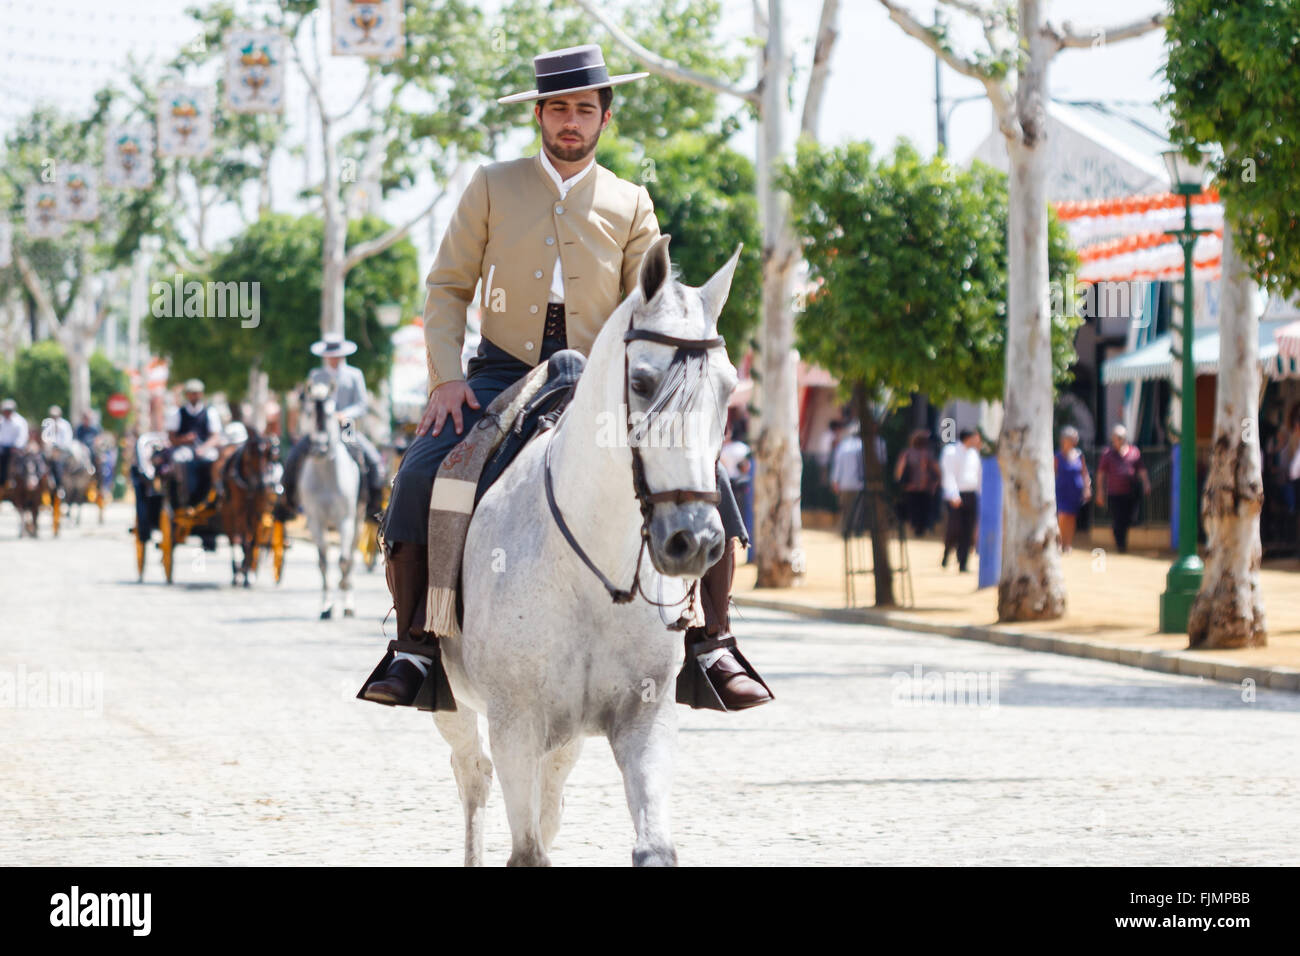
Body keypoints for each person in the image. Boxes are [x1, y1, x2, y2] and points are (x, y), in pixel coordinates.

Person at [362, 45, 771, 712]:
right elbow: (446, 287)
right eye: (559, 109)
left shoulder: (632, 202)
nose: (570, 121)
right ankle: (415, 646)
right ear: (539, 116)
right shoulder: (491, 185)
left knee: (706, 477)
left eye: (585, 109)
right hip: (500, 375)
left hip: (598, 383)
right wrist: (443, 380)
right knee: (420, 474)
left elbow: (653, 301)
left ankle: (712, 643)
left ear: (605, 118)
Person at [275, 334, 386, 522]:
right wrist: (319, 412)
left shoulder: (354, 375)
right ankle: (288, 502)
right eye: (330, 354)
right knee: (294, 457)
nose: (333, 358)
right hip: (320, 428)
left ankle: (371, 505)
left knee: (372, 459)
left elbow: (361, 404)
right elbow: (309, 404)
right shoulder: (315, 375)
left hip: (347, 427)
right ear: (325, 356)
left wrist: (344, 414)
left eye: (337, 354)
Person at [165, 379, 223, 507]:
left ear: (201, 394)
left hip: (203, 447)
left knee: (214, 458)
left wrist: (204, 447)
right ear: (187, 395)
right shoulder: (178, 413)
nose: (194, 396)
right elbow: (172, 438)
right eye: (192, 393)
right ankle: (184, 493)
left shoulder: (210, 412)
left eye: (197, 393)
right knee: (180, 459)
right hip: (185, 448)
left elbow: (216, 436)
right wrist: (185, 439)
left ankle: (215, 491)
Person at [1096, 423, 1149, 554]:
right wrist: (1100, 492)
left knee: (1129, 518)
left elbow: (1141, 469)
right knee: (1118, 519)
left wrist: (1146, 483)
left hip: (1130, 492)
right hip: (1114, 493)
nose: (1116, 441)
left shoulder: (1134, 452)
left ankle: (1121, 540)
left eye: (1119, 438)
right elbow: (1101, 474)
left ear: (1124, 438)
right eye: (1114, 438)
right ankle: (1121, 545)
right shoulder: (1107, 454)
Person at [939, 428, 982, 572]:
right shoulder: (951, 452)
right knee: (954, 528)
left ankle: (963, 562)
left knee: (968, 530)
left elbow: (978, 476)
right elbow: (948, 474)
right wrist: (953, 494)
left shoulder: (974, 454)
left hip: (971, 494)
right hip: (956, 495)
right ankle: (947, 554)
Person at [894, 430, 940, 537]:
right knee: (923, 509)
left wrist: (899, 481)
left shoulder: (908, 453)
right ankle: (920, 530)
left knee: (914, 509)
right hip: (924, 487)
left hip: (912, 487)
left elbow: (899, 470)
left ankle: (915, 528)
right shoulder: (928, 454)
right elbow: (937, 471)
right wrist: (936, 483)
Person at [1053, 426, 1092, 554]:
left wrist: (1087, 488)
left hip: (1075, 491)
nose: (1075, 441)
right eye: (1072, 438)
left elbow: (1084, 473)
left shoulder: (1079, 455)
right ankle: (1060, 542)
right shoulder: (1057, 456)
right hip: (1061, 490)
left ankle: (1068, 544)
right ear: (1064, 440)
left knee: (1071, 517)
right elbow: (1052, 473)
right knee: (1062, 516)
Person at [829, 421, 865, 536]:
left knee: (846, 508)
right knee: (859, 509)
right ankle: (857, 530)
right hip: (860, 483)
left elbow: (837, 465)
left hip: (845, 484)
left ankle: (846, 530)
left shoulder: (843, 446)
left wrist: (835, 481)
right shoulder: (863, 447)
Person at [41, 405, 76, 492]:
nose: (54, 417)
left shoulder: (65, 425)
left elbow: (68, 439)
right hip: (50, 450)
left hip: (62, 450)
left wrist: (58, 447)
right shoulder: (47, 424)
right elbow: (45, 438)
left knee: (57, 463)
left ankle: (59, 485)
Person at [0, 398, 29, 486]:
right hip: (2, 447)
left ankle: (17, 480)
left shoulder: (20, 421)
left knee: (19, 461)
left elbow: (22, 437)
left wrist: (16, 446)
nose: (6, 413)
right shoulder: (1, 421)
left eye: (8, 411)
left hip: (15, 448)